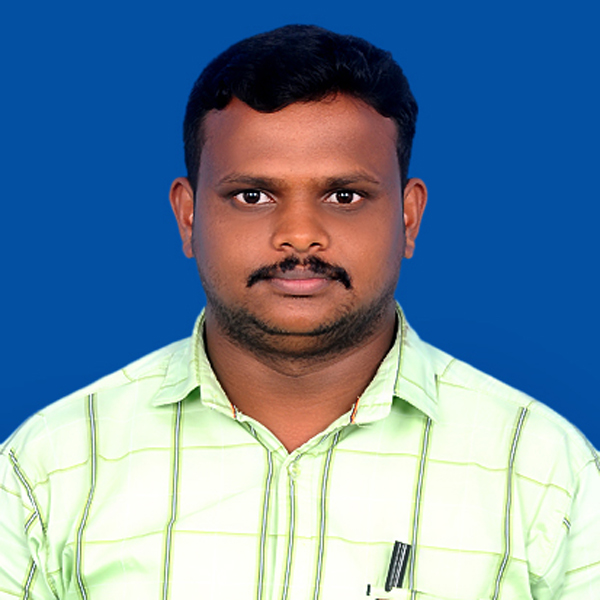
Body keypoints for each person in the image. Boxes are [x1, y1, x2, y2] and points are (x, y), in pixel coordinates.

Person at [1, 24, 598, 600]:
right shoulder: (51, 469)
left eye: (344, 195)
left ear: (409, 217)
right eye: (252, 195)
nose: (300, 235)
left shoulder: (545, 474)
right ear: (187, 217)